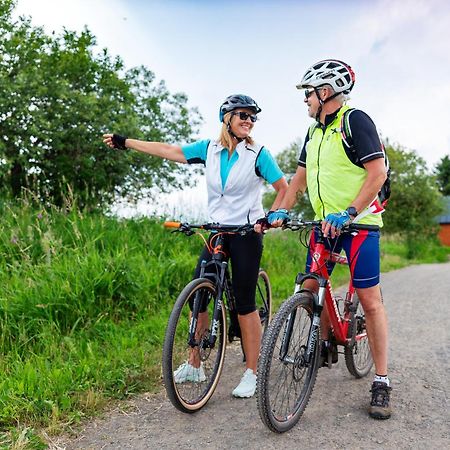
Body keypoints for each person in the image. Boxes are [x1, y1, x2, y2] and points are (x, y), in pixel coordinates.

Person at [103, 94, 288, 398]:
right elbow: (169, 150)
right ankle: (194, 363)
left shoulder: (259, 154)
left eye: (252, 116)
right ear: (226, 118)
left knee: (243, 302)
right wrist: (127, 142)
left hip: (246, 232)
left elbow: (282, 188)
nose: (248, 120)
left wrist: (272, 216)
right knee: (199, 294)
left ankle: (252, 372)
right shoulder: (209, 149)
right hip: (216, 231)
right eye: (242, 115)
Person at [268, 59, 392, 419]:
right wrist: (280, 210)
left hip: (360, 224)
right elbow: (299, 180)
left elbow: (378, 172)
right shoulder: (313, 133)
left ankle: (381, 381)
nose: (305, 100)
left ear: (325, 93)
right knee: (310, 284)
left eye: (308, 93)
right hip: (326, 224)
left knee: (369, 301)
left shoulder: (355, 121)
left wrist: (351, 212)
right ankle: (323, 341)